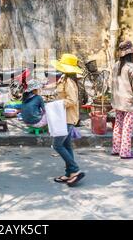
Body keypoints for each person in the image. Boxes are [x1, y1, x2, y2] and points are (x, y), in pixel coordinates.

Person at [50, 53, 85, 187]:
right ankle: (69, 173)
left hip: (67, 119)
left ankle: (75, 170)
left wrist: (56, 105)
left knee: (58, 145)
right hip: (63, 118)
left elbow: (71, 100)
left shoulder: (70, 82)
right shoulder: (65, 78)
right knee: (66, 145)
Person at [111, 41, 133, 159]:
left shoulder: (116, 66)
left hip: (118, 102)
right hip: (129, 103)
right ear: (131, 53)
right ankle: (125, 152)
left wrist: (113, 101)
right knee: (127, 127)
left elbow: (113, 85)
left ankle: (116, 148)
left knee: (118, 125)